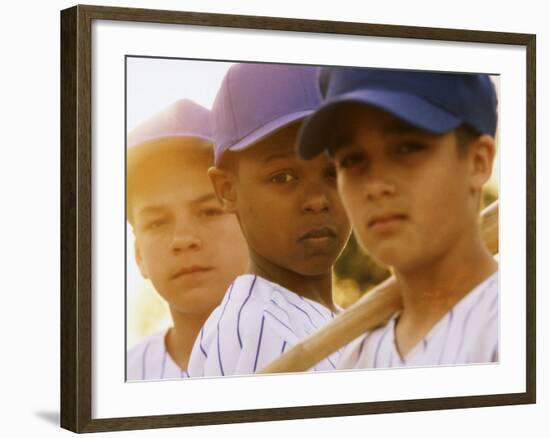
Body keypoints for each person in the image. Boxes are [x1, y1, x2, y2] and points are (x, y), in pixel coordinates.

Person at [298, 67, 499, 368]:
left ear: (478, 161)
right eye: (352, 159)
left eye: (407, 148)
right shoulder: (354, 362)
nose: (376, 186)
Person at [187, 63, 351, 377]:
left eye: (334, 171)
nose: (317, 200)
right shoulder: (261, 330)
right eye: (283, 176)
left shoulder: (330, 321)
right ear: (227, 190)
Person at [126, 99, 249, 380]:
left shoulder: (340, 356)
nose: (183, 239)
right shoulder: (117, 379)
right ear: (139, 255)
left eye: (209, 211)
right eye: (157, 222)